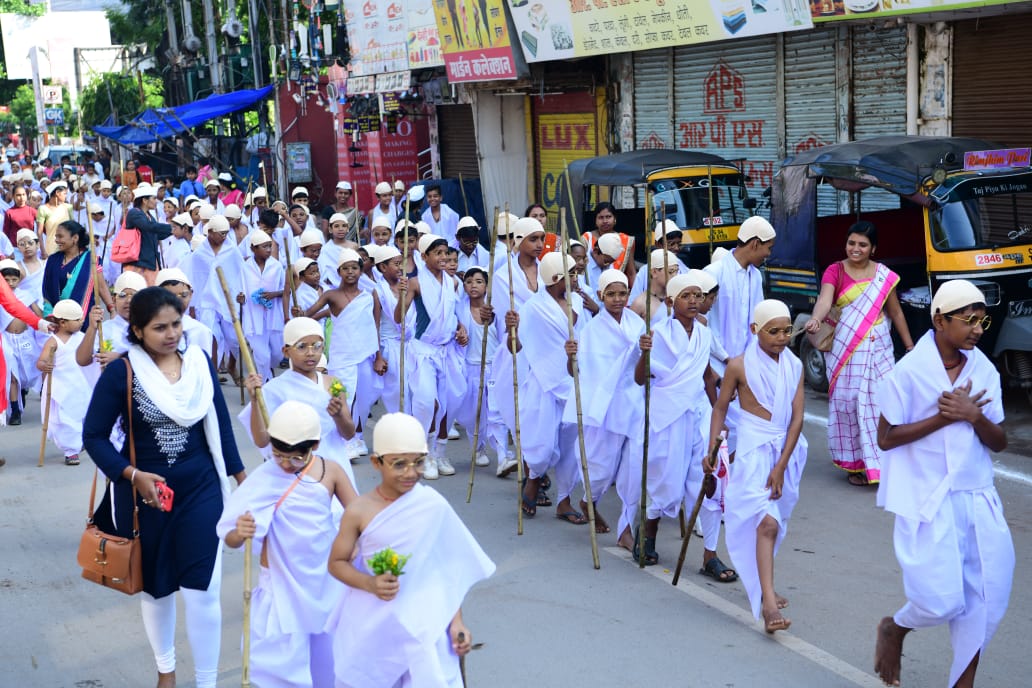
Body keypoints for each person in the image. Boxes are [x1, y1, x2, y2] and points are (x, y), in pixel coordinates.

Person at [82, 287, 246, 688]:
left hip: (201, 489)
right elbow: (95, 436)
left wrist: (244, 485)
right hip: (144, 496)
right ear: (137, 331)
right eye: (159, 328)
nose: (171, 333)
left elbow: (221, 429)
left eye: (176, 324)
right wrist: (132, 475)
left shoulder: (200, 363)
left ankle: (206, 682)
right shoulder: (122, 372)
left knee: (204, 588)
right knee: (157, 588)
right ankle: (166, 671)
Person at [873, 279, 1013, 688]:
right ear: (940, 319)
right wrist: (943, 418)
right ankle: (896, 627)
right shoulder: (909, 371)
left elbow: (999, 441)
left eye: (982, 320)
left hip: (977, 497)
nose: (978, 329)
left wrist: (974, 416)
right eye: (969, 320)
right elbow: (886, 437)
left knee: (983, 604)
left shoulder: (984, 369)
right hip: (927, 501)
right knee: (939, 601)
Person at [326, 412, 495, 688]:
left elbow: (446, 569)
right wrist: (369, 583)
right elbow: (336, 563)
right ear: (376, 462)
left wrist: (456, 623)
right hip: (372, 625)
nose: (410, 472)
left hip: (425, 623)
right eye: (399, 464)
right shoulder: (358, 511)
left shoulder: (433, 505)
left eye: (418, 462)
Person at [219, 401, 356, 688]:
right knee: (279, 668)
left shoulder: (331, 472)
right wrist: (240, 532)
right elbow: (230, 537)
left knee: (328, 660)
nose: (285, 464)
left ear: (315, 445)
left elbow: (358, 516)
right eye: (278, 454)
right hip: (280, 585)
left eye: (295, 458)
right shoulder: (265, 478)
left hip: (324, 581)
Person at [713, 299, 807, 634]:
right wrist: (713, 447)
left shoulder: (794, 365)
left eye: (786, 331)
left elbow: (797, 419)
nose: (782, 337)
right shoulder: (738, 366)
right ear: (755, 330)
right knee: (766, 523)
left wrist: (781, 465)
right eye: (773, 331)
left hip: (785, 453)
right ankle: (768, 605)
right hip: (754, 453)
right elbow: (721, 408)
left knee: (773, 524)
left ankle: (764, 585)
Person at [804, 221, 914, 486]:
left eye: (862, 245)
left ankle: (883, 463)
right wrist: (816, 319)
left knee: (881, 404)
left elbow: (896, 312)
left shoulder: (884, 276)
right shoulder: (835, 271)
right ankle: (856, 464)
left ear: (873, 248)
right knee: (848, 405)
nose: (856, 249)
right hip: (846, 350)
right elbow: (824, 301)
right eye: (851, 243)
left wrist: (910, 347)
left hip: (878, 349)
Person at [632, 273, 721, 567]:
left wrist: (718, 413)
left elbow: (706, 375)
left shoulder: (704, 333)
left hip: (698, 414)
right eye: (687, 296)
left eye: (698, 295)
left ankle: (710, 555)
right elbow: (640, 378)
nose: (694, 301)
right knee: (663, 480)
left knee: (707, 480)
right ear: (671, 302)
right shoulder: (656, 334)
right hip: (667, 415)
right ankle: (647, 538)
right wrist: (644, 353)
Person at [496, 252, 585, 522]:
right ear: (557, 278)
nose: (576, 277)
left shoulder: (577, 300)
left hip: (570, 381)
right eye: (571, 273)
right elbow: (515, 348)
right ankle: (533, 478)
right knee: (543, 445)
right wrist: (510, 328)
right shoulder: (532, 308)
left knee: (571, 449)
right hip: (542, 383)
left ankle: (564, 501)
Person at [565, 269, 644, 539]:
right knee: (601, 468)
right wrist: (570, 357)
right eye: (611, 294)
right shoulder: (590, 331)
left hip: (634, 402)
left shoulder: (638, 324)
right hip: (605, 407)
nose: (618, 299)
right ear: (600, 296)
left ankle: (626, 526)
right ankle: (589, 499)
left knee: (635, 467)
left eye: (623, 293)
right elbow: (576, 373)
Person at [241, 316, 358, 479]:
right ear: (286, 351)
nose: (310, 353)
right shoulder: (275, 389)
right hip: (293, 467)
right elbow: (262, 440)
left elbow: (349, 434)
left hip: (332, 465)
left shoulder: (333, 384)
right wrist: (254, 401)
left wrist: (339, 416)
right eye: (302, 346)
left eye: (317, 346)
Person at [394, 234, 466, 479]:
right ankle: (424, 452)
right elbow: (398, 317)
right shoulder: (414, 282)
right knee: (427, 402)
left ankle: (440, 452)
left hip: (447, 350)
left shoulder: (454, 282)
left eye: (446, 252)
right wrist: (402, 294)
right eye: (438, 253)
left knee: (450, 402)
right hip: (424, 350)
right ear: (423, 257)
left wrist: (461, 329)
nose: (444, 257)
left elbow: (453, 315)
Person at [703, 215, 775, 453]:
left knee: (746, 430)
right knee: (717, 430)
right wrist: (726, 359)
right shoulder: (713, 273)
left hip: (745, 365)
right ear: (754, 244)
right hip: (717, 366)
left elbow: (758, 320)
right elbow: (703, 324)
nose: (768, 254)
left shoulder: (756, 276)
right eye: (768, 248)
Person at [306, 248, 385, 460]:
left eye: (354, 268)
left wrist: (378, 356)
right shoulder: (331, 295)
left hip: (365, 356)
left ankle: (356, 437)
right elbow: (310, 313)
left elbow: (374, 327)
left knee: (364, 399)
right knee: (342, 397)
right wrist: (299, 315)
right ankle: (341, 441)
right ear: (339, 271)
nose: (350, 272)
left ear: (360, 271)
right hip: (341, 357)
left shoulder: (368, 297)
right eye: (346, 268)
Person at [37, 299, 99, 465]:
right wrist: (45, 365)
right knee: (65, 420)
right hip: (61, 388)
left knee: (81, 416)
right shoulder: (53, 341)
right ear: (63, 322)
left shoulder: (83, 337)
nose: (82, 322)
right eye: (78, 320)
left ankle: (79, 442)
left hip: (80, 385)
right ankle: (71, 451)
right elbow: (41, 361)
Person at [0, 260, 49, 428]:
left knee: (33, 369)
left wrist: (44, 322)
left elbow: (38, 314)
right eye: (7, 280)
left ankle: (38, 395)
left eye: (14, 279)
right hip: (6, 339)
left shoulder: (25, 295)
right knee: (12, 375)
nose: (11, 283)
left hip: (26, 339)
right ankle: (15, 411)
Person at [41, 220, 113, 322]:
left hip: (82, 321)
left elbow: (101, 286)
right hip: (56, 319)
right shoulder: (53, 260)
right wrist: (50, 315)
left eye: (60, 236)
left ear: (75, 238)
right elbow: (47, 290)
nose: (56, 240)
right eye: (56, 236)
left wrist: (111, 308)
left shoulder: (91, 260)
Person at [242, 232, 285, 381]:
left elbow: (286, 290)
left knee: (278, 354)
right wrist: (240, 298)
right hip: (253, 317)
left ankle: (267, 372)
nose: (268, 250)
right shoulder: (245, 267)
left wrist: (274, 294)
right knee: (263, 357)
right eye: (264, 246)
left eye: (269, 246)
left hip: (273, 316)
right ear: (254, 248)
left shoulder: (277, 266)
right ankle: (265, 386)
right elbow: (239, 290)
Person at [122, 183, 174, 286]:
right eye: (153, 199)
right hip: (137, 262)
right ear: (145, 200)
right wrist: (170, 227)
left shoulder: (149, 216)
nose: (156, 201)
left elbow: (155, 234)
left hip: (149, 261)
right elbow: (148, 226)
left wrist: (173, 231)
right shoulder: (134, 213)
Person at [156, 267, 214, 357]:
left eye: (183, 295)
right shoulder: (150, 329)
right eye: (170, 296)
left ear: (190, 294)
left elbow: (206, 367)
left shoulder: (201, 331)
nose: (177, 300)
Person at [581, 201, 636, 289]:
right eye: (601, 217)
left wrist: (634, 296)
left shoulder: (626, 240)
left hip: (615, 290)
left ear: (615, 219)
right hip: (588, 289)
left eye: (608, 217)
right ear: (595, 220)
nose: (605, 221)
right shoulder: (587, 238)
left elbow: (631, 272)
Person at [38, 180, 74, 257]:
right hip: (51, 248)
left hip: (67, 248)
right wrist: (43, 250)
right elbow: (39, 232)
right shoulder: (43, 209)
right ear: (57, 193)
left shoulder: (68, 207)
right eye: (65, 194)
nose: (66, 196)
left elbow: (73, 228)